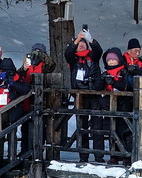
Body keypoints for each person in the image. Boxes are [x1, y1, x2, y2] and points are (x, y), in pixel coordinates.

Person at [64, 27, 105, 162]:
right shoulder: (73, 60)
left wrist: (91, 40)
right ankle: (83, 155)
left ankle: (99, 156)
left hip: (94, 96)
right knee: (82, 127)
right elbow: (67, 53)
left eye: (84, 44)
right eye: (79, 44)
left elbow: (99, 50)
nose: (81, 45)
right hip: (80, 97)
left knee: (97, 127)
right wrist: (76, 40)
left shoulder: (93, 57)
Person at [18, 43, 57, 154]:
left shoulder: (45, 65)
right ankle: (25, 150)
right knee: (25, 128)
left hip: (41, 101)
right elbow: (18, 75)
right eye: (34, 51)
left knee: (40, 128)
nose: (36, 54)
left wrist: (42, 56)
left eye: (39, 51)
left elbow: (51, 65)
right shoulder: (28, 64)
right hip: (27, 101)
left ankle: (37, 151)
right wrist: (24, 67)